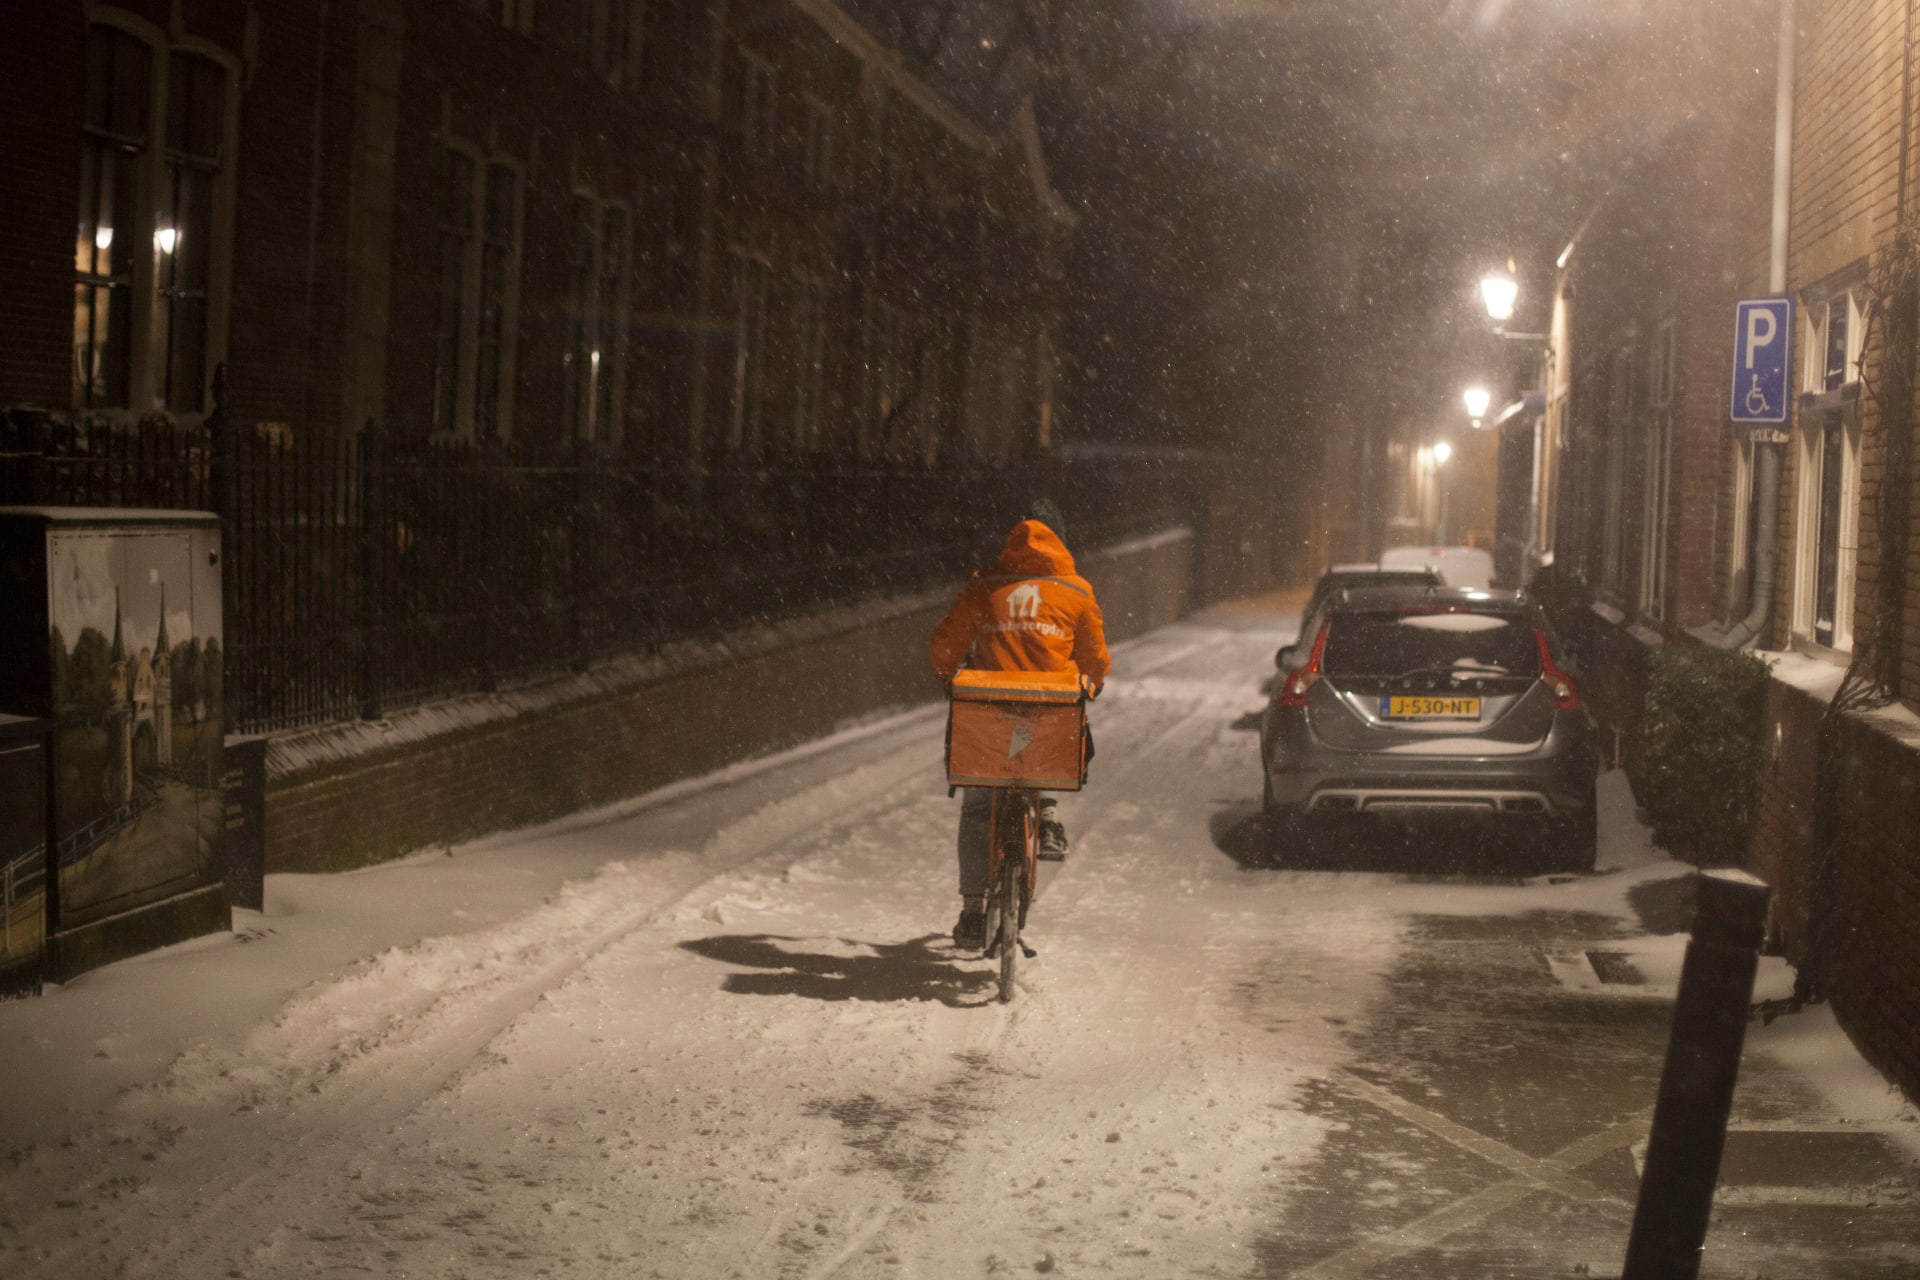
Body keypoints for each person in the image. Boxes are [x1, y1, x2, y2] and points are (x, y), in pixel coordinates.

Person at [930, 500, 1110, 949]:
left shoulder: (985, 586)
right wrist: (1091, 680)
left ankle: (972, 911)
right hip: (1050, 709)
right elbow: (1095, 661)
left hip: (987, 709)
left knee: (977, 808)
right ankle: (1045, 813)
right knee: (1048, 743)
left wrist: (948, 673)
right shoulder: (1077, 592)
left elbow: (946, 647)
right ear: (1061, 542)